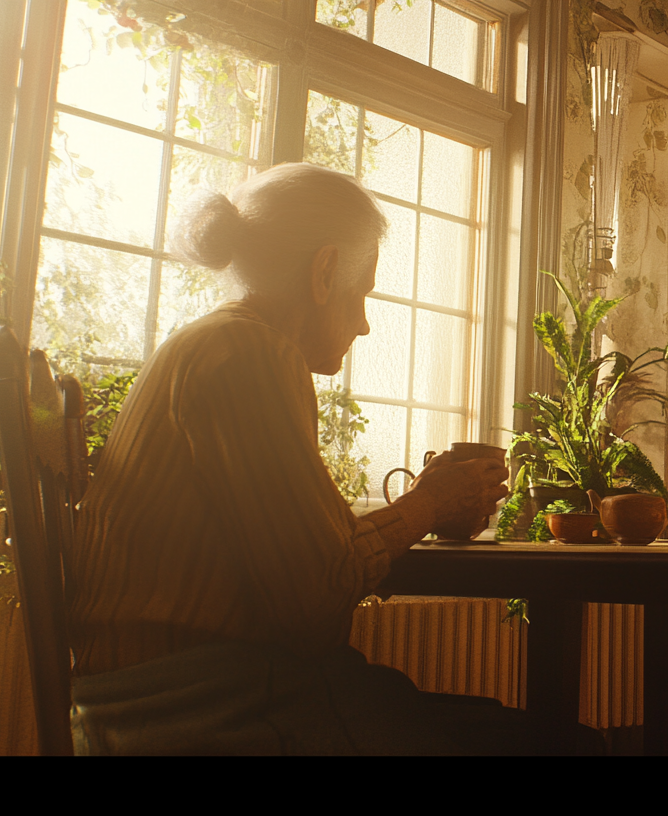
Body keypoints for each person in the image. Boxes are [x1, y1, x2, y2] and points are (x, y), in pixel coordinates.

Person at [68, 163, 556, 755]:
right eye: (364, 291)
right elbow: (314, 609)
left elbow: (300, 566)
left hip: (152, 698)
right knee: (552, 741)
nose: (366, 324)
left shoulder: (212, 341)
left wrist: (424, 507)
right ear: (325, 271)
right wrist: (430, 504)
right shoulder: (249, 353)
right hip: (204, 705)